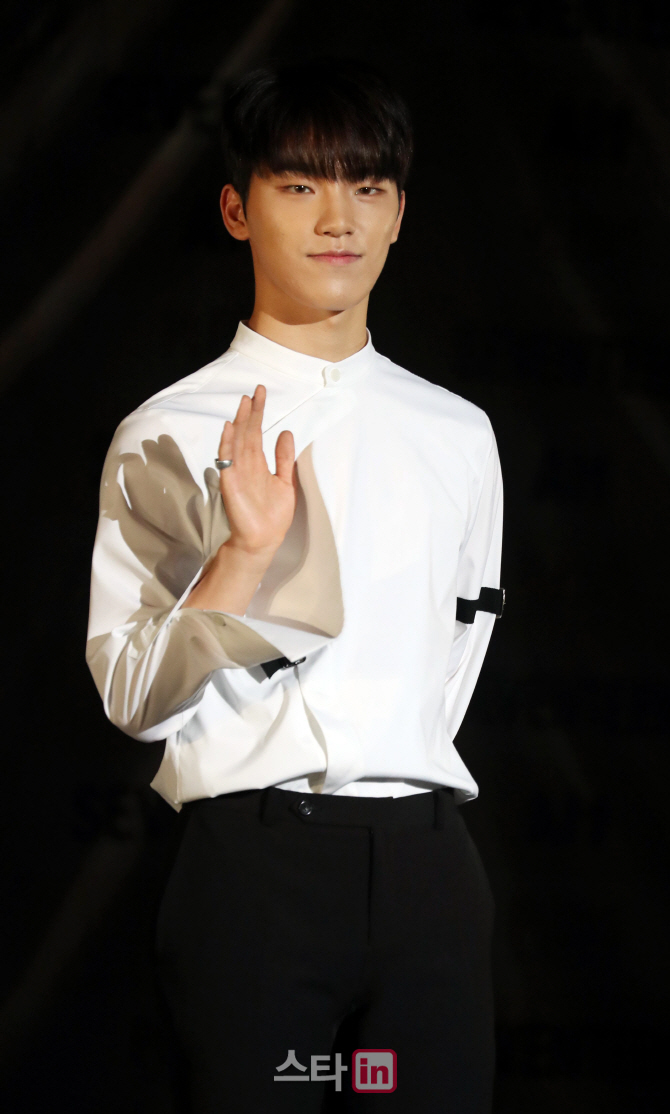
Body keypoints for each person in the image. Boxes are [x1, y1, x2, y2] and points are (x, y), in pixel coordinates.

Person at [86, 54, 504, 1113]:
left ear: (399, 213)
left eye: (368, 186)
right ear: (237, 209)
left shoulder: (458, 433)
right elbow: (132, 697)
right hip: (258, 874)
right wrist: (241, 560)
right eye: (301, 183)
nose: (338, 219)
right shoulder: (169, 428)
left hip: (428, 872)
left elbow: (461, 648)